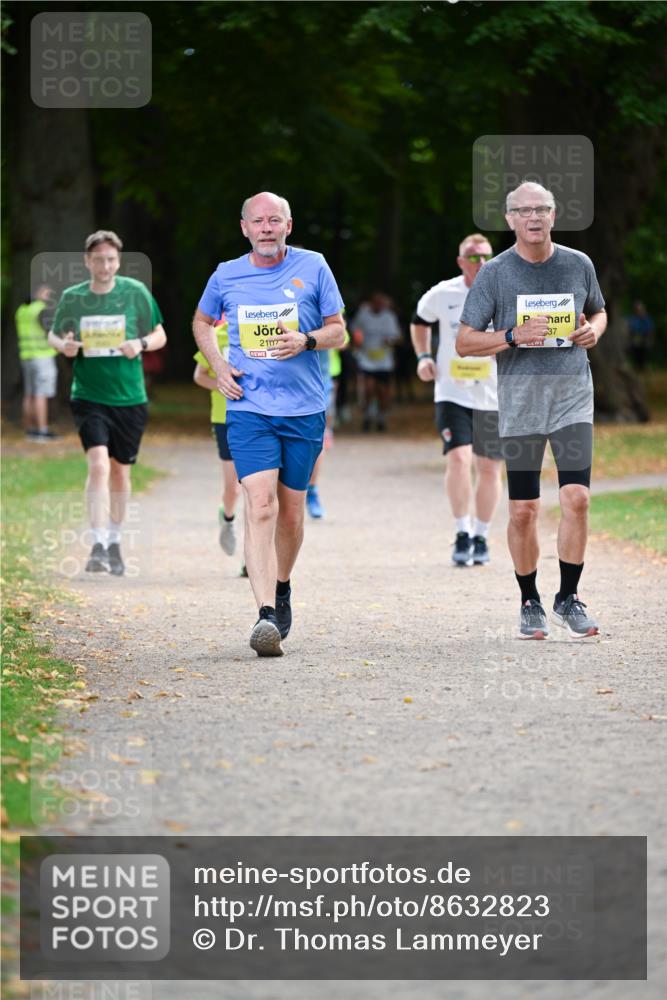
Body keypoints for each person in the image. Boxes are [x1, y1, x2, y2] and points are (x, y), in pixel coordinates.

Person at [192, 192, 345, 657]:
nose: (266, 228)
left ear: (288, 226)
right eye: (257, 221)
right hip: (248, 408)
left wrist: (308, 339)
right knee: (260, 506)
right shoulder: (226, 274)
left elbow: (339, 330)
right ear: (244, 228)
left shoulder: (314, 266)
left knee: (291, 514)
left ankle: (281, 586)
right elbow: (201, 322)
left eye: (274, 220)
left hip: (302, 410)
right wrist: (218, 365)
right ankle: (264, 615)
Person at [457, 181, 607, 640]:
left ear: (554, 215)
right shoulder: (496, 274)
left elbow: (599, 312)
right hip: (521, 403)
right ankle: (530, 600)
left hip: (571, 397)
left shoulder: (578, 263)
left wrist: (594, 332)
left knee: (576, 499)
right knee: (523, 510)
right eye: (524, 211)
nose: (534, 217)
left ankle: (569, 596)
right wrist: (512, 336)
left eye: (541, 208)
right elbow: (465, 342)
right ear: (510, 219)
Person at [48, 230, 167, 576]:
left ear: (118, 261)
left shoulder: (135, 293)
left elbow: (160, 334)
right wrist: (64, 346)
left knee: (120, 471)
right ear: (87, 261)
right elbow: (55, 334)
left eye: (111, 259)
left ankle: (114, 541)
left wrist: (141, 344)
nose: (105, 265)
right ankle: (97, 541)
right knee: (98, 464)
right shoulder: (73, 297)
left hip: (129, 397)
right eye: (98, 258)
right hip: (88, 394)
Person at [411, 233, 502, 567]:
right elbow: (419, 321)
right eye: (473, 257)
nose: (480, 262)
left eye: (485, 256)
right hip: (452, 391)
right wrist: (423, 356)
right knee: (460, 459)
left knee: (490, 468)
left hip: (493, 394)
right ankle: (462, 531)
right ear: (461, 261)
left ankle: (482, 534)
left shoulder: (505, 291)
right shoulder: (444, 292)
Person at [193, 315, 243, 553]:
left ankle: (251, 556)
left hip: (259, 415)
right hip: (224, 418)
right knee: (233, 487)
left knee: (259, 489)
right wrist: (224, 385)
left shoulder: (260, 334)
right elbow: (199, 375)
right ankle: (228, 519)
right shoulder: (216, 336)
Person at [351, 292, 401, 432]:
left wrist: (389, 341)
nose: (379, 306)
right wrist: (358, 340)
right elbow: (355, 330)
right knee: (369, 388)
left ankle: (381, 417)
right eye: (376, 303)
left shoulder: (389, 317)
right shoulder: (363, 314)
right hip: (366, 359)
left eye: (381, 304)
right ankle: (367, 416)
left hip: (384, 361)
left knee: (383, 392)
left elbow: (398, 337)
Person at [16, 284, 60, 440]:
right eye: (46, 292)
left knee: (29, 394)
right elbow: (51, 332)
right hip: (42, 357)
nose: (48, 296)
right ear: (37, 293)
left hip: (26, 356)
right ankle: (42, 430)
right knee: (41, 394)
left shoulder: (22, 310)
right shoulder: (41, 309)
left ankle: (30, 430)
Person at [627, 300, 655, 370]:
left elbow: (650, 331)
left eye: (640, 309)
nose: (639, 311)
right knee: (636, 348)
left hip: (645, 340)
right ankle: (638, 366)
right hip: (635, 340)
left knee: (644, 351)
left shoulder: (647, 319)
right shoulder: (633, 319)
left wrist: (648, 339)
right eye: (637, 309)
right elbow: (631, 331)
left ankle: (644, 365)